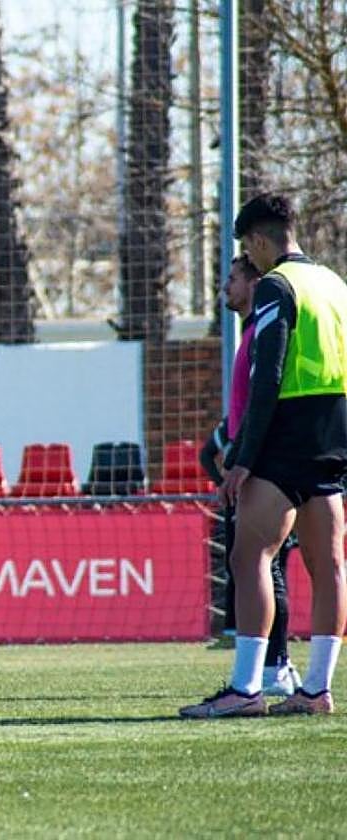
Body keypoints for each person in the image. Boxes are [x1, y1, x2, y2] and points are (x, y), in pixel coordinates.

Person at [181, 193, 347, 718]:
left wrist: (244, 458)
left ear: (256, 240)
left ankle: (247, 688)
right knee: (330, 563)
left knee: (250, 554)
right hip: (334, 432)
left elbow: (268, 372)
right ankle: (316, 688)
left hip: (286, 432)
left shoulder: (276, 285)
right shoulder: (334, 283)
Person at [197, 256, 301, 697]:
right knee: (256, 564)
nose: (225, 287)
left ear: (255, 282)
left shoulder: (264, 329)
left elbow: (264, 396)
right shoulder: (249, 331)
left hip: (264, 462)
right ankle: (272, 667)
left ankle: (276, 666)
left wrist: (242, 456)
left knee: (266, 564)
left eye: (233, 279)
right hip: (248, 458)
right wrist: (220, 444)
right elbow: (242, 404)